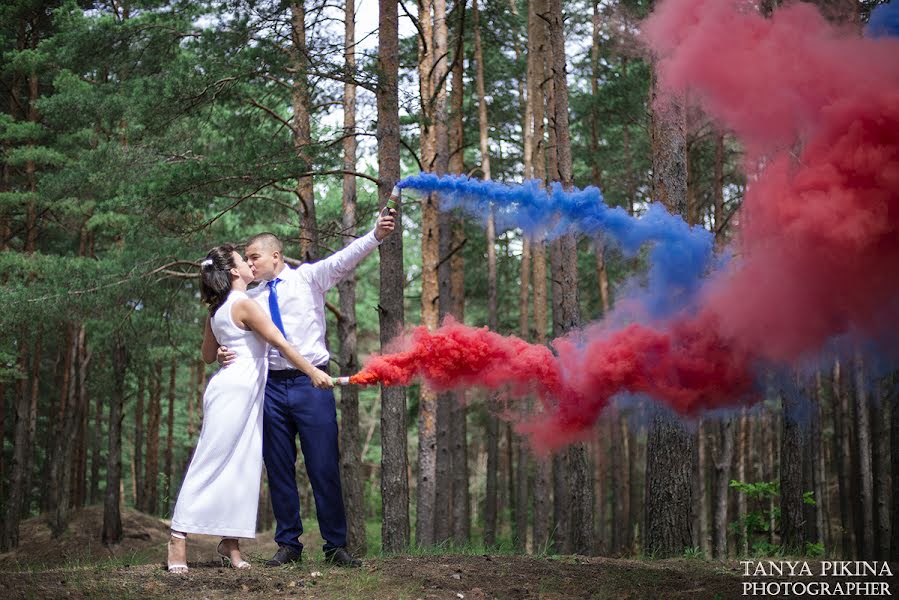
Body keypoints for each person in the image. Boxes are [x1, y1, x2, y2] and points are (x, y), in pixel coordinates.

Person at [218, 211, 395, 568]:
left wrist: (375, 234)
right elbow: (234, 331)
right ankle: (288, 545)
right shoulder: (249, 297)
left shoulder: (309, 278)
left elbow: (345, 258)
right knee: (279, 466)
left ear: (275, 257)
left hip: (312, 384)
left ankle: (335, 546)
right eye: (247, 259)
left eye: (254, 257)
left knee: (323, 465)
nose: (249, 263)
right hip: (269, 388)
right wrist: (224, 350)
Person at [166, 245, 333, 574]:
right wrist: (312, 371)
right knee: (209, 462)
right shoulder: (243, 303)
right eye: (243, 260)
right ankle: (177, 537)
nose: (249, 263)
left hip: (242, 394)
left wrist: (223, 353)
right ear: (233, 272)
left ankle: (231, 544)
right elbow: (281, 343)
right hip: (233, 395)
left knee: (241, 470)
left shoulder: (218, 307)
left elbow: (206, 355)